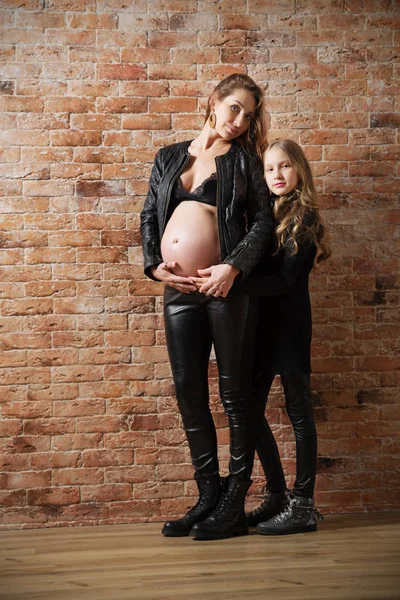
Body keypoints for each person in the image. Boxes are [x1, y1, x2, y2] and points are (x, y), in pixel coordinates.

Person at [140, 74, 272, 540]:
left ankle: (234, 504)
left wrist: (231, 268)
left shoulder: (245, 162)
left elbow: (262, 224)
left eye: (248, 115)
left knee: (234, 396)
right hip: (179, 291)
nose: (239, 121)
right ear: (214, 102)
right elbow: (149, 216)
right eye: (234, 108)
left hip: (226, 290)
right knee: (189, 392)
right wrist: (154, 265)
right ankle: (207, 496)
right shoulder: (170, 156)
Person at [238, 139, 331, 535]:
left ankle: (304, 504)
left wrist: (234, 283)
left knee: (299, 414)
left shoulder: (305, 218)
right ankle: (277, 494)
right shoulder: (264, 215)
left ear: (300, 171)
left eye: (285, 167)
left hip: (290, 326)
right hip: (259, 328)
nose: (276, 175)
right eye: (269, 168)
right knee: (246, 409)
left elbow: (284, 281)